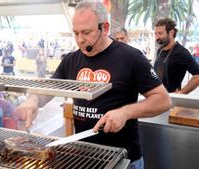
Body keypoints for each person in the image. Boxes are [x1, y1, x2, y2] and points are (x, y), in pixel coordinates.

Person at [15, 1, 171, 169]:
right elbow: (48, 88)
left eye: (86, 32)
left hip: (124, 159)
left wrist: (125, 113)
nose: (80, 40)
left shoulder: (131, 57)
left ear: (104, 27)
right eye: (76, 33)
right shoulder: (70, 60)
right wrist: (33, 100)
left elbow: (163, 100)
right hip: (84, 156)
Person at [154, 18, 199, 94]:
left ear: (171, 32)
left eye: (160, 33)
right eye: (155, 33)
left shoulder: (181, 52)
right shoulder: (160, 50)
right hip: (157, 96)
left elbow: (197, 75)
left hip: (171, 100)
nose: (157, 37)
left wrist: (181, 93)